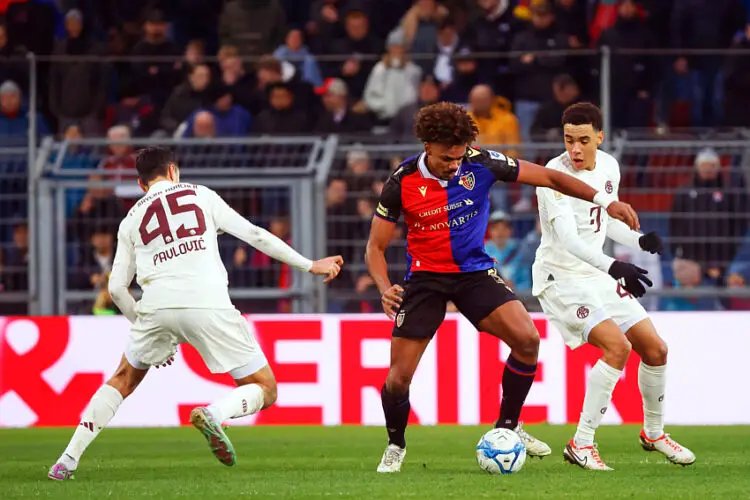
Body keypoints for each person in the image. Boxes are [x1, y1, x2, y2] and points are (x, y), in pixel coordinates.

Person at [365, 101, 641, 473]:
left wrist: (605, 201)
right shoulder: (401, 182)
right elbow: (375, 248)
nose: (455, 164)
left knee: (527, 341)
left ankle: (509, 427)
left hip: (474, 273)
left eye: (460, 156)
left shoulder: (482, 162)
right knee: (398, 378)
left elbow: (550, 178)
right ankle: (395, 444)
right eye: (447, 158)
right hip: (426, 279)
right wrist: (384, 286)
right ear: (427, 146)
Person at [48, 148, 344, 480]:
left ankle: (66, 461)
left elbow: (117, 289)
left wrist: (142, 322)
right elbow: (254, 235)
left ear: (141, 184)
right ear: (173, 171)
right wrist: (308, 264)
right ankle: (215, 415)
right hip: (207, 302)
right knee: (265, 388)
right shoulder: (201, 195)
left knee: (122, 379)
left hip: (156, 305)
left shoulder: (131, 219)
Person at [532, 102, 695, 470]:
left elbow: (604, 224)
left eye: (584, 140)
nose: (575, 149)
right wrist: (616, 265)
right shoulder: (551, 178)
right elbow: (570, 241)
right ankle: (582, 443)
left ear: (600, 138)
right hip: (562, 278)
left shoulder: (609, 166)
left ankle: (653, 433)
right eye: (569, 140)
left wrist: (638, 242)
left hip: (596, 274)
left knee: (655, 349)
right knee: (617, 348)